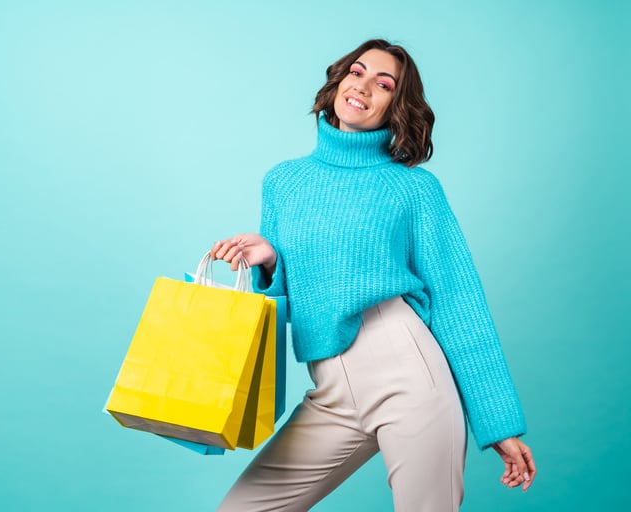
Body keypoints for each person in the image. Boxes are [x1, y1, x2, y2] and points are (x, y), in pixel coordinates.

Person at [211, 38, 536, 511]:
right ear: (339, 81)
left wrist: (499, 424)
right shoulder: (283, 181)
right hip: (331, 392)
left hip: (408, 376)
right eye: (356, 72)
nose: (362, 86)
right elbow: (292, 304)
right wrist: (271, 260)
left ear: (395, 106)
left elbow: (458, 302)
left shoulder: (414, 189)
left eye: (383, 84)